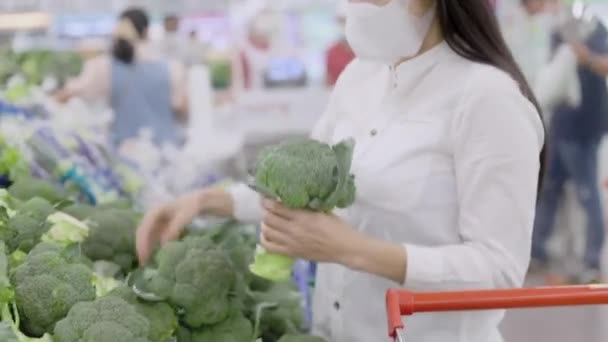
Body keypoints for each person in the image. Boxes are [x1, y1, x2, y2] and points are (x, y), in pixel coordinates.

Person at [136, 1, 545, 341]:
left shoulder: (487, 98)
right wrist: (206, 201)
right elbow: (298, 184)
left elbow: (499, 271)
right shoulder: (360, 78)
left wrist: (353, 249)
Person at [532, 12, 608, 284]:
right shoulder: (558, 30)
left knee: (588, 194)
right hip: (560, 125)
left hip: (585, 128)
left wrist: (583, 55)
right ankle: (536, 253)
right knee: (549, 191)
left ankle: (590, 263)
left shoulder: (596, 30)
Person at [56, 8, 188, 147]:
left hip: (124, 156)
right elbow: (182, 108)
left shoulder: (104, 65)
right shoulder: (172, 67)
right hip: (166, 152)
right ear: (147, 31)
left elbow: (71, 93)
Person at [499, 0, 553, 85]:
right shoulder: (513, 20)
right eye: (541, 2)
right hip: (520, 78)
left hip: (537, 76)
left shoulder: (539, 20)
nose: (544, 5)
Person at [325, 1, 355, 87]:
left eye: (345, 21)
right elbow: (327, 81)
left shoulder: (365, 50)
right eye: (341, 22)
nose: (344, 25)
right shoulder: (332, 51)